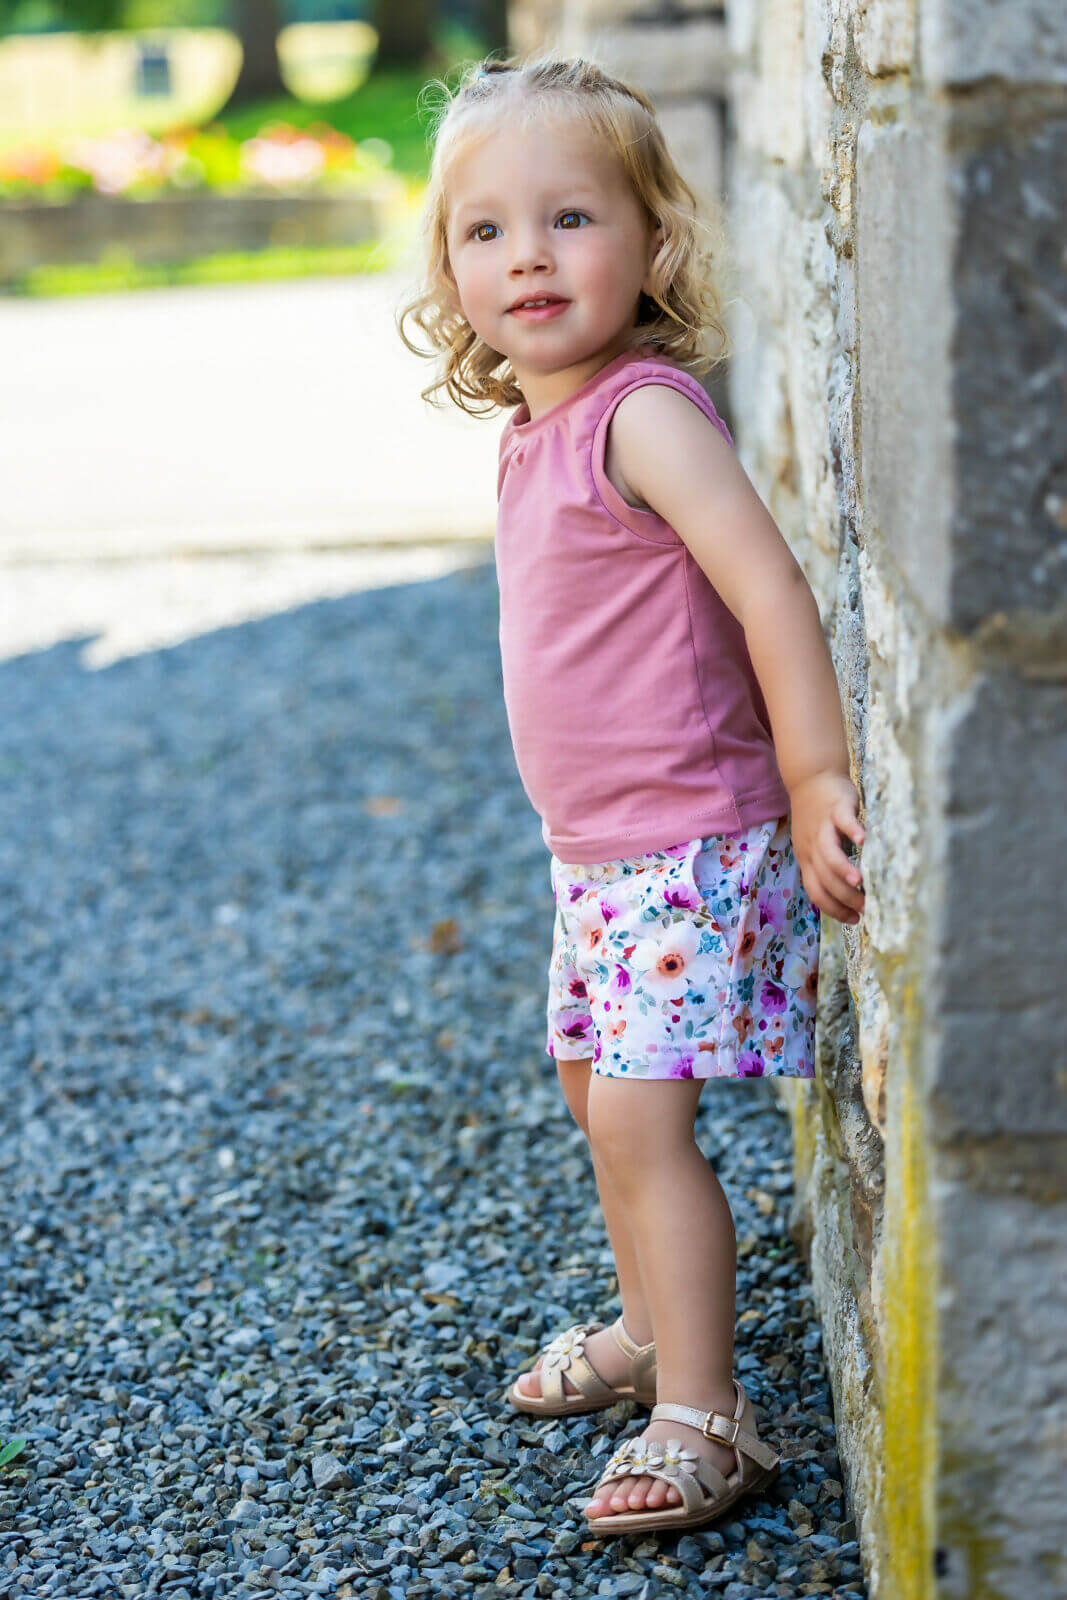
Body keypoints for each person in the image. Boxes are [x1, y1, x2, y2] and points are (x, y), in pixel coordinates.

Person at [396, 50, 866, 1538]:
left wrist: (813, 771)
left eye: (571, 219)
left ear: (653, 241)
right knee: (595, 1100)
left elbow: (769, 588)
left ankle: (707, 1412)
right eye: (487, 230)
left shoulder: (640, 416)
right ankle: (656, 1326)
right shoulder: (533, 429)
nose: (528, 256)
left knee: (647, 1125)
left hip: (689, 846)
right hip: (597, 857)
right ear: (452, 270)